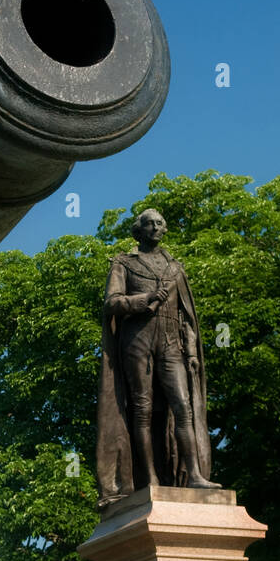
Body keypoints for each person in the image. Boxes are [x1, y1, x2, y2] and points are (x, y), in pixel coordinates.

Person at [96, 208, 219, 509]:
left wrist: (191, 351)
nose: (155, 227)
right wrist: (144, 300)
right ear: (138, 231)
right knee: (142, 410)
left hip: (171, 342)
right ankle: (149, 478)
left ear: (165, 230)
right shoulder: (123, 263)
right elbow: (112, 302)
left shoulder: (175, 268)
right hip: (136, 342)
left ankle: (194, 475)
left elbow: (186, 316)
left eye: (160, 223)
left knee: (183, 407)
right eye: (148, 224)